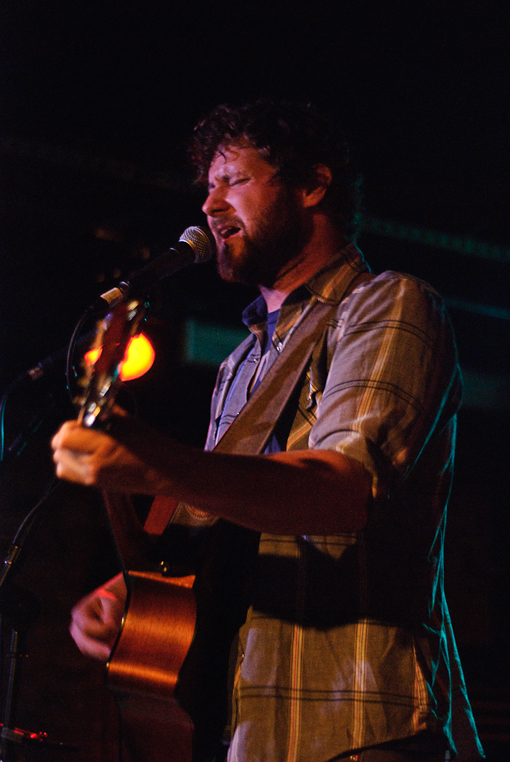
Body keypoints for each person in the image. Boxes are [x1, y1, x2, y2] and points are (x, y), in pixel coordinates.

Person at [51, 101, 484, 762]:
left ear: (311, 186)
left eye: (233, 180)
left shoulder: (389, 303)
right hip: (243, 722)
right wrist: (138, 590)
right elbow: (229, 510)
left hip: (356, 723)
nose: (210, 206)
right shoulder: (240, 362)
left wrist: (151, 463)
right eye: (208, 187)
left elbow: (339, 491)